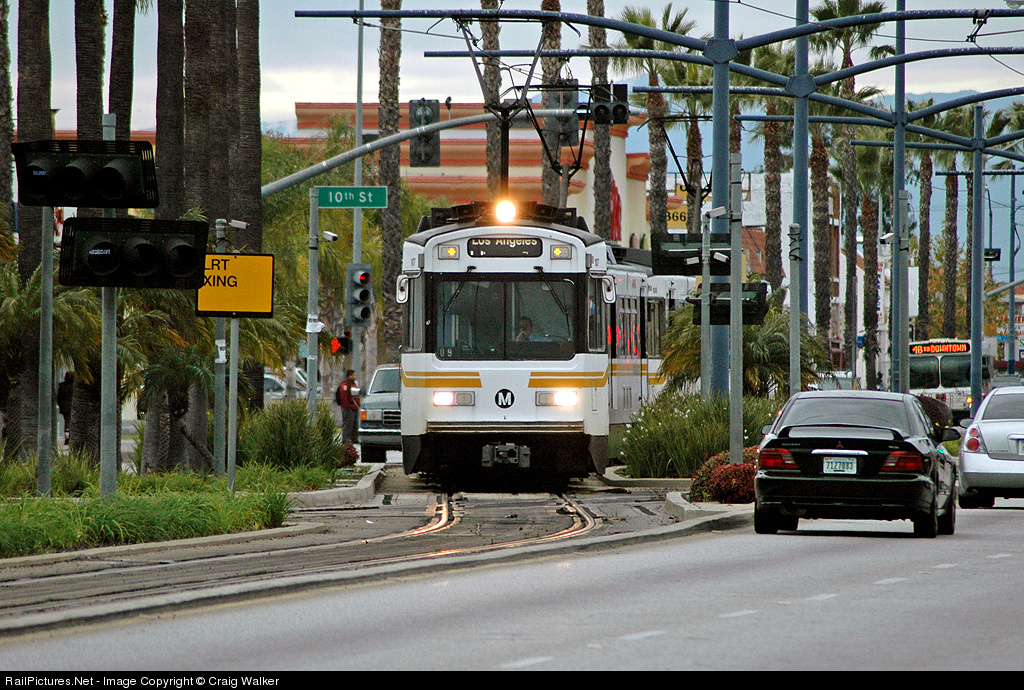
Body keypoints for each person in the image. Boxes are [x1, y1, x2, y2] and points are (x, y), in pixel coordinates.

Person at [336, 369, 361, 444]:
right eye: (354, 375)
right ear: (350, 376)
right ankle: (346, 439)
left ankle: (354, 438)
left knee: (354, 424)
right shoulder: (345, 385)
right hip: (348, 408)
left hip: (354, 407)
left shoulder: (353, 384)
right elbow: (344, 396)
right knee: (348, 424)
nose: (355, 376)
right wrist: (347, 406)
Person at [57, 372, 74, 445]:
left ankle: (67, 437)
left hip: (64, 406)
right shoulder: (73, 386)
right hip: (71, 406)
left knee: (66, 422)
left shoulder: (62, 386)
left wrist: (60, 405)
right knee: (70, 422)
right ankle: (69, 437)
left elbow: (59, 397)